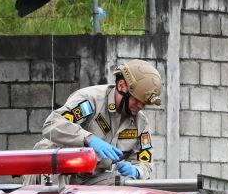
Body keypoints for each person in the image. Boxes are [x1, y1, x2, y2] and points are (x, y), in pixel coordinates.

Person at [33, 59, 164, 185]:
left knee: (127, 183)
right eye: (137, 99)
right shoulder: (91, 101)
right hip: (54, 169)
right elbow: (52, 124)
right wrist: (88, 138)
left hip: (90, 177)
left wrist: (136, 171)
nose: (140, 106)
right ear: (122, 86)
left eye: (144, 103)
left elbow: (145, 160)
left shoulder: (140, 123)